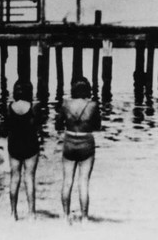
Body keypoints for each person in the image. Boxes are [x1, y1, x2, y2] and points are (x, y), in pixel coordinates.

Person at [56, 77, 101, 225]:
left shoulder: (65, 104)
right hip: (86, 142)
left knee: (67, 181)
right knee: (83, 183)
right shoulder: (93, 105)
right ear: (87, 90)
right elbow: (97, 126)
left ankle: (65, 217)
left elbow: (58, 124)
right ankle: (84, 219)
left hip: (69, 141)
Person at [0, 80, 40, 221]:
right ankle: (31, 214)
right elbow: (37, 127)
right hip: (30, 145)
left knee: (14, 178)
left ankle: (13, 213)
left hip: (14, 145)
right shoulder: (34, 107)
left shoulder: (10, 107)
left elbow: (4, 129)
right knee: (29, 178)